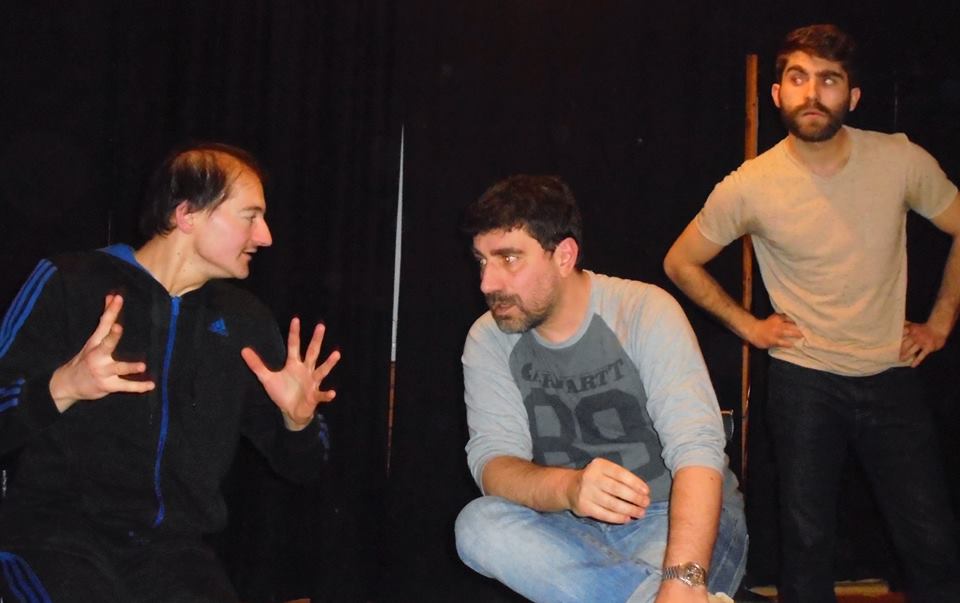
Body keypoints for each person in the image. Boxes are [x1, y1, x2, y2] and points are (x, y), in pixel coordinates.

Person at [663, 24, 960, 603]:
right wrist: (750, 327)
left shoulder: (900, 160)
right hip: (805, 383)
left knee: (932, 540)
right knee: (805, 545)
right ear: (778, 94)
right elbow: (681, 262)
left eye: (829, 79)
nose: (813, 92)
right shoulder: (752, 185)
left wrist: (942, 321)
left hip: (890, 373)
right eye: (798, 78)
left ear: (853, 96)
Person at [0, 143, 341, 602]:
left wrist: (298, 423)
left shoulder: (246, 321)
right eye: (250, 216)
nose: (265, 236)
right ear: (187, 214)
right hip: (53, 538)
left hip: (173, 555)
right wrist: (63, 386)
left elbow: (302, 468)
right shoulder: (69, 281)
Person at [454, 174, 747, 603]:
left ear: (564, 256)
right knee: (478, 525)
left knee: (665, 586)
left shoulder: (643, 311)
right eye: (482, 261)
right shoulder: (488, 339)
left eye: (509, 259)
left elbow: (698, 450)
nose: (487, 283)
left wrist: (683, 580)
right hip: (568, 526)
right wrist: (569, 489)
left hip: (672, 517)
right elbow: (494, 463)